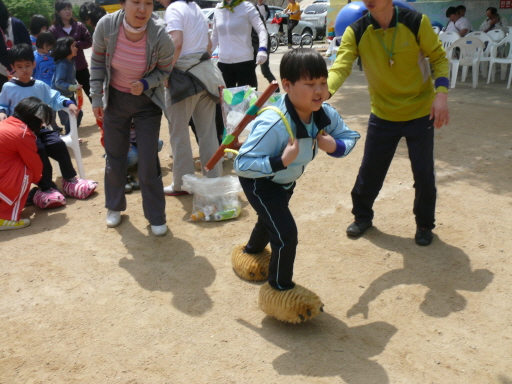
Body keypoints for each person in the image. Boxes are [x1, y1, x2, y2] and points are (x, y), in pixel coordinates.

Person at [232, 49, 360, 323]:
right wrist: (280, 160)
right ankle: (279, 288)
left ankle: (251, 252)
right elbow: (241, 164)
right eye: (310, 84)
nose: (319, 91)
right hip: (261, 182)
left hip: (285, 180)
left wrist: (334, 145)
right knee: (286, 234)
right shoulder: (274, 123)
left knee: (272, 219)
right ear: (287, 86)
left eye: (323, 83)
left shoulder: (324, 113)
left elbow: (350, 136)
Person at [328, 0, 450, 246]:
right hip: (383, 113)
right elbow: (341, 66)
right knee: (371, 170)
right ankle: (362, 217)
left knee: (423, 173)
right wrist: (322, 93)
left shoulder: (416, 23)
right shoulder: (357, 30)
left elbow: (438, 58)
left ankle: (424, 224)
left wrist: (441, 95)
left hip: (419, 111)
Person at [90, 0, 174, 236]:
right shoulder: (106, 26)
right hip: (115, 100)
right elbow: (97, 61)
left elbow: (166, 69)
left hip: (147, 103)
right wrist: (96, 97)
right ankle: (114, 206)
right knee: (116, 156)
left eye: (148, 3)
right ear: (123, 3)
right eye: (135, 1)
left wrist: (147, 82)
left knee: (148, 161)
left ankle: (156, 215)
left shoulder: (160, 35)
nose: (142, 9)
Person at [0, 44, 97, 209]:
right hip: (22, 135)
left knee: (58, 143)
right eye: (19, 67)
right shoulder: (9, 87)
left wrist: (67, 102)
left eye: (27, 65)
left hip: (41, 129)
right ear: (12, 68)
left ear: (33, 64)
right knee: (40, 150)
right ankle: (46, 187)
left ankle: (70, 180)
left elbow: (54, 97)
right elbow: (2, 105)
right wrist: (2, 113)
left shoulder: (39, 85)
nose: (24, 70)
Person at [160, 0, 224, 196]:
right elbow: (209, 44)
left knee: (178, 134)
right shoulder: (195, 7)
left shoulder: (173, 9)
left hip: (182, 75)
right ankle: (214, 180)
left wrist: (165, 71)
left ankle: (182, 183)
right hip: (205, 73)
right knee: (208, 132)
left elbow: (176, 43)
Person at [0, 97, 52, 230]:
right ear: (35, 120)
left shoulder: (6, 123)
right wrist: (38, 179)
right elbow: (34, 163)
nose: (42, 125)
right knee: (25, 173)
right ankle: (6, 218)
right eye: (41, 121)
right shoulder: (23, 134)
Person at [211, 0, 268, 89]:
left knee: (247, 100)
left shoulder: (247, 7)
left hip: (244, 62)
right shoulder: (218, 8)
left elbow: (261, 29)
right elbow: (215, 36)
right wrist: (206, 55)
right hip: (223, 63)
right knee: (225, 101)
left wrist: (262, 49)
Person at [49, 0, 92, 101]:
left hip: (80, 66)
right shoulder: (53, 30)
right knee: (67, 96)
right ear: (58, 12)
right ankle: (72, 116)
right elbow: (53, 48)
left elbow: (89, 42)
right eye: (64, 9)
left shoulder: (79, 26)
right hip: (64, 69)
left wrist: (75, 45)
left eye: (69, 8)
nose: (68, 11)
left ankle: (100, 115)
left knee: (91, 92)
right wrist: (67, 48)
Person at [51, 36, 84, 134]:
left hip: (69, 95)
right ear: (65, 48)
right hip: (60, 97)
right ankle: (70, 135)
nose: (76, 48)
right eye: (73, 46)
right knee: (72, 115)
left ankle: (71, 134)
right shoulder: (62, 64)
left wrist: (75, 86)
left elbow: (70, 78)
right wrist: (74, 87)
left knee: (77, 113)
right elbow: (59, 83)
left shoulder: (71, 61)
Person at [0, 0, 31, 90]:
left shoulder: (17, 24)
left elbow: (27, 49)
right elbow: (2, 54)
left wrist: (24, 70)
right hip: (2, 73)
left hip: (21, 71)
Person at [253, 0, 278, 90]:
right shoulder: (252, 8)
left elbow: (263, 25)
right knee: (250, 70)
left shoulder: (263, 8)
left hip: (263, 42)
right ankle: (253, 92)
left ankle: (276, 89)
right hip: (253, 42)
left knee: (265, 70)